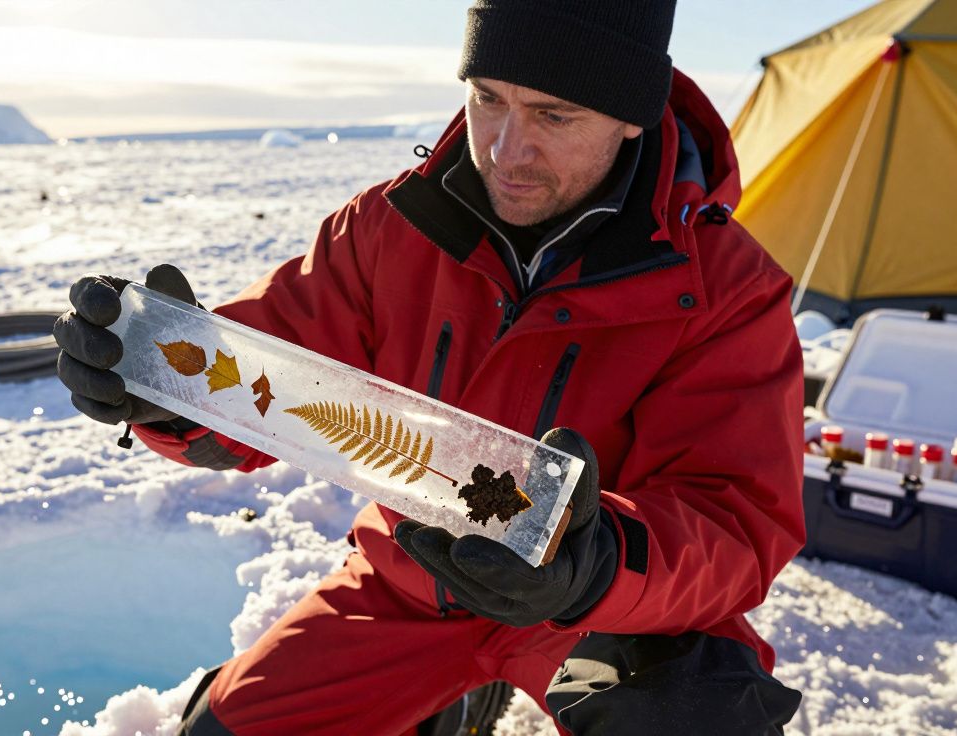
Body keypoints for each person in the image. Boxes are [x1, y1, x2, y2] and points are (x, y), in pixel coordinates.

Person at [53, 0, 806, 733]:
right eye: (488, 99)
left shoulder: (726, 287)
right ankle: (444, 703)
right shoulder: (388, 228)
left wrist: (595, 564)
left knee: (693, 719)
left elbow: (737, 519)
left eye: (554, 115)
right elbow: (272, 377)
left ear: (630, 115)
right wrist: (172, 393)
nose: (507, 150)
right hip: (410, 583)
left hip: (597, 617)